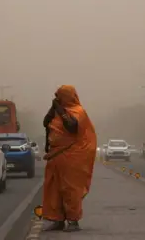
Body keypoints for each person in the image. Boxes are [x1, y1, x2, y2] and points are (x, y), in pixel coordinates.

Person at [41, 85, 97, 232]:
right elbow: (46, 122)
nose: (57, 99)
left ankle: (73, 221)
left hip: (72, 157)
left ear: (67, 96)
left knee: (70, 190)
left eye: (60, 96)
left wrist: (60, 109)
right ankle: (57, 220)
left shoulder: (78, 112)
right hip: (55, 156)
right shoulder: (56, 112)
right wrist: (53, 108)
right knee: (54, 190)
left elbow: (71, 126)